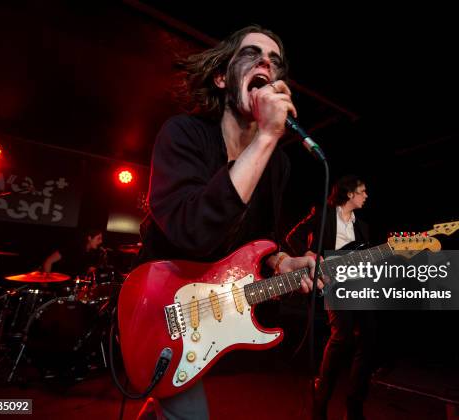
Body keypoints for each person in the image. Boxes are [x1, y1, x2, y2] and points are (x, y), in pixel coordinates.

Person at [136, 25, 323, 420]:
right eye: (251, 54)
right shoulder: (183, 134)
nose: (265, 64)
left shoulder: (278, 164)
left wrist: (282, 262)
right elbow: (194, 231)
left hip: (210, 308)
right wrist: (267, 137)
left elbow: (261, 237)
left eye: (274, 62)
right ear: (222, 77)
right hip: (161, 305)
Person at [286, 175, 375, 420]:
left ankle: (355, 404)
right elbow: (292, 237)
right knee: (342, 336)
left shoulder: (362, 227)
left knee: (369, 338)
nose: (366, 195)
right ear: (349, 193)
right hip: (332, 283)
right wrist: (311, 255)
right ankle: (321, 394)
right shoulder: (323, 213)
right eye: (363, 191)